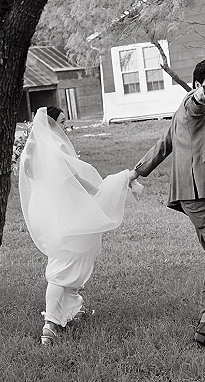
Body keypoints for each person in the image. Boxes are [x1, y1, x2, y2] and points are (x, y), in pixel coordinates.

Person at [129, 57, 205, 351]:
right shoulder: (195, 103)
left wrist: (138, 170)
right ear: (198, 85)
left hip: (196, 194)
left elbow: (166, 140)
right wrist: (200, 98)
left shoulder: (183, 107)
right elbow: (197, 107)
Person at [19, 106, 139, 346]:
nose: (66, 126)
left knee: (73, 261)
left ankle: (71, 312)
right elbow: (76, 181)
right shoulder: (54, 150)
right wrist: (108, 187)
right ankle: (50, 323)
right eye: (62, 121)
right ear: (51, 124)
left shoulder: (34, 152)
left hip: (49, 213)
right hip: (63, 214)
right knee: (62, 267)